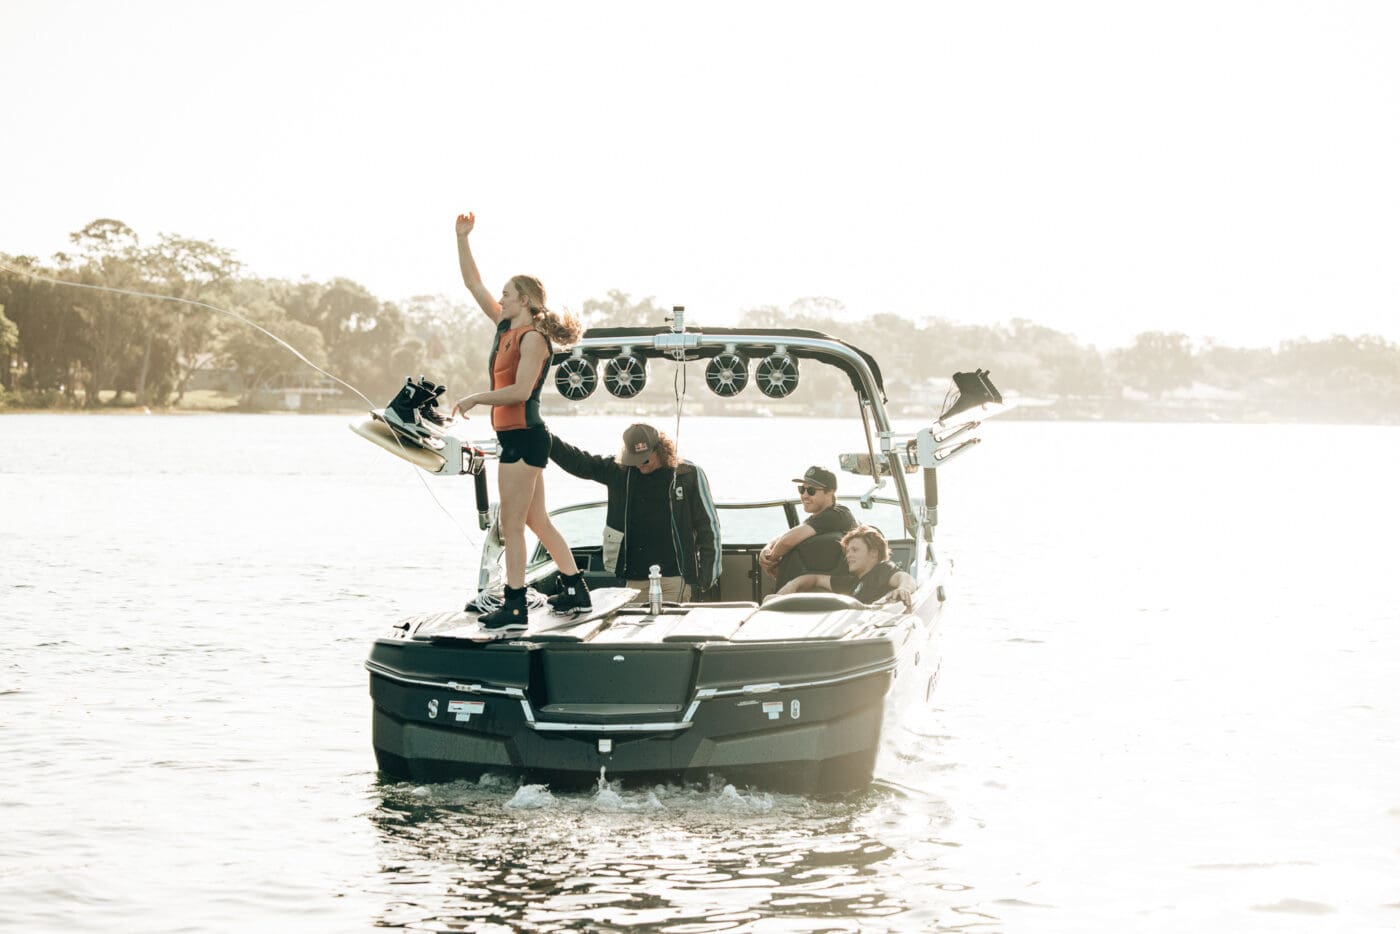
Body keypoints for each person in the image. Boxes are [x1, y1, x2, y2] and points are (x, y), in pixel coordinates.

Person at [449, 211, 591, 629]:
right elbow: (472, 283)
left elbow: (520, 392)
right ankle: (576, 589)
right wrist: (462, 238)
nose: (502, 297)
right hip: (517, 438)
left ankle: (515, 607)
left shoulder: (532, 339)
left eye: (508, 293)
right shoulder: (505, 326)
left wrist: (476, 397)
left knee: (512, 525)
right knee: (535, 520)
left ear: (525, 300)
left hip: (526, 438)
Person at [549, 424, 720, 604]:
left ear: (660, 450)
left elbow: (708, 526)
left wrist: (706, 577)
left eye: (645, 459)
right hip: (634, 579)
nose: (639, 464)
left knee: (667, 629)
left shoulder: (688, 474)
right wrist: (547, 439)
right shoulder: (618, 470)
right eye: (634, 459)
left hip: (675, 578)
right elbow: (581, 463)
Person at [758, 466, 856, 588]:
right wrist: (767, 547)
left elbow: (787, 541)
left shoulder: (836, 515)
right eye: (801, 489)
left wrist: (769, 559)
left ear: (829, 492)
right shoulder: (820, 517)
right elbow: (789, 535)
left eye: (811, 491)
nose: (804, 495)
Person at [776, 525, 917, 610]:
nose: (848, 555)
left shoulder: (882, 570)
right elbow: (816, 579)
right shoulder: (851, 582)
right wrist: (792, 584)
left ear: (874, 553)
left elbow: (904, 577)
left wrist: (904, 589)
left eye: (855, 550)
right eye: (848, 551)